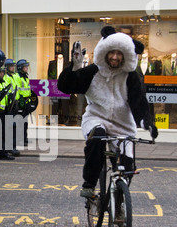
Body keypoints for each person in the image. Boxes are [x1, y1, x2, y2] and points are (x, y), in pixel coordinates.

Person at [57, 26, 158, 198]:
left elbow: (139, 102)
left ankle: (119, 202)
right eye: (112, 52)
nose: (115, 57)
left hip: (122, 124)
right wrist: (74, 67)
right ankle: (89, 184)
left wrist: (147, 123)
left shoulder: (131, 76)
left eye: (120, 53)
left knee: (127, 168)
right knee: (97, 138)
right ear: (105, 52)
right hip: (97, 118)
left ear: (126, 55)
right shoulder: (93, 72)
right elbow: (65, 86)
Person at [15, 59, 32, 146]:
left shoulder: (25, 77)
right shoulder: (18, 77)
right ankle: (20, 139)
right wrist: (20, 102)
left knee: (25, 121)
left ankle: (24, 138)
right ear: (20, 68)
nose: (26, 68)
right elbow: (17, 90)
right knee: (20, 122)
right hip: (21, 102)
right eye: (25, 67)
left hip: (27, 101)